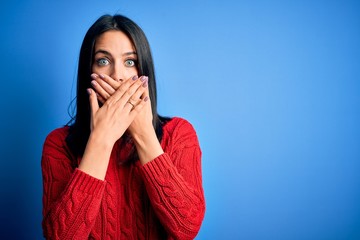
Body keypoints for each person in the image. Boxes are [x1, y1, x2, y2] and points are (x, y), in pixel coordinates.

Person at [41, 14, 205, 239]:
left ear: (143, 71)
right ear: (88, 72)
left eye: (130, 62)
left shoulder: (179, 134)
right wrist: (102, 140)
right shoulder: (58, 144)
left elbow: (187, 228)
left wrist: (143, 133)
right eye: (103, 61)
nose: (117, 76)